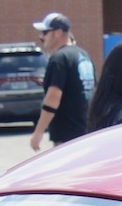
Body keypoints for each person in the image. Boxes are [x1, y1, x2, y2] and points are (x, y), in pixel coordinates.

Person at [29, 12, 94, 151]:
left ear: (58, 32)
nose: (41, 37)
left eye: (45, 32)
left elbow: (53, 97)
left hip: (67, 135)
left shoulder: (59, 58)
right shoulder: (83, 55)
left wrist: (38, 132)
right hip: (86, 130)